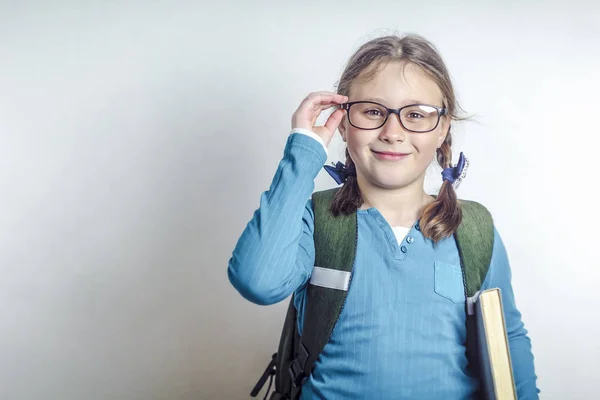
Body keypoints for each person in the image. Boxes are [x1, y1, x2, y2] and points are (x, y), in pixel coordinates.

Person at [227, 33, 539, 399]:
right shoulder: (317, 221)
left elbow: (507, 339)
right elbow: (257, 281)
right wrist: (304, 151)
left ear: (442, 128)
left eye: (416, 115)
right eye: (373, 111)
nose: (393, 133)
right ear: (342, 123)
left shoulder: (472, 230)